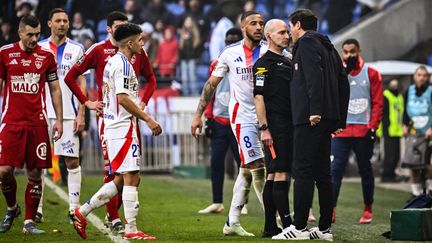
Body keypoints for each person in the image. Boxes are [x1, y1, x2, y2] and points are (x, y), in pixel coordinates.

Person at [64, 11, 157, 235]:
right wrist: (148, 118)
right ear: (130, 42)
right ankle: (131, 228)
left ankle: (82, 212)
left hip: (114, 125)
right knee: (131, 175)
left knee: (121, 177)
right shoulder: (123, 65)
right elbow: (123, 99)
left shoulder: (113, 61)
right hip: (122, 127)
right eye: (140, 39)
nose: (143, 43)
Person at [273, 9, 349, 240]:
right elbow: (343, 82)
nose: (289, 32)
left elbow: (313, 77)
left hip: (310, 118)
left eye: (290, 27)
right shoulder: (329, 46)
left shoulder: (305, 44)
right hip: (327, 118)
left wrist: (315, 110)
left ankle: (299, 227)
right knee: (322, 174)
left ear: (297, 25)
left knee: (302, 170)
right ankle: (325, 229)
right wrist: (339, 119)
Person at [191, 10, 267, 237]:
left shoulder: (269, 51)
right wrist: (198, 115)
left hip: (265, 118)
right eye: (253, 23)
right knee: (259, 168)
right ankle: (276, 219)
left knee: (246, 168)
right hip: (241, 118)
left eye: (261, 23)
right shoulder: (229, 53)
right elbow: (210, 86)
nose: (258, 27)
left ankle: (232, 221)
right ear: (243, 27)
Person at [0, 14, 63, 235]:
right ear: (20, 33)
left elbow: (55, 89)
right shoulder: (5, 53)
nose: (35, 39)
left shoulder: (46, 56)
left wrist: (59, 120)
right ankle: (12, 208)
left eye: (37, 34)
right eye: (30, 35)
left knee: (35, 174)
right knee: (4, 171)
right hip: (11, 122)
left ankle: (29, 222)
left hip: (37, 123)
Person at [36, 8, 87, 223]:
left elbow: (82, 81)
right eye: (58, 20)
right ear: (49, 23)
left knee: (72, 161)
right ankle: (36, 209)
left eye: (65, 20)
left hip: (69, 113)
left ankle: (73, 208)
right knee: (38, 163)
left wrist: (82, 113)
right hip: (41, 113)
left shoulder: (77, 48)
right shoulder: (39, 47)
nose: (63, 24)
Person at [331, 38, 383, 225]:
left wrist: (373, 127)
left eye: (352, 51)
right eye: (345, 52)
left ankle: (368, 209)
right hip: (341, 132)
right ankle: (331, 210)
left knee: (365, 171)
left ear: (359, 50)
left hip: (363, 133)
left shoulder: (372, 73)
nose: (349, 55)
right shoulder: (337, 73)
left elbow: (377, 102)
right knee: (334, 171)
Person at [253, 19, 293, 238]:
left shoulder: (288, 61)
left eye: (287, 32)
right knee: (281, 173)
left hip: (289, 123)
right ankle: (287, 224)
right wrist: (264, 128)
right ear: (269, 36)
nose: (286, 36)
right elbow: (259, 98)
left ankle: (270, 226)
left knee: (272, 175)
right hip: (276, 125)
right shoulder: (263, 63)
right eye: (281, 32)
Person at [198, 27, 242, 215]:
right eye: (228, 41)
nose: (230, 44)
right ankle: (217, 202)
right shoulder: (216, 62)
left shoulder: (245, 63)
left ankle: (242, 202)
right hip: (218, 120)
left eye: (234, 41)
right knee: (216, 162)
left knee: (243, 164)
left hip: (237, 119)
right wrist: (207, 117)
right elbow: (210, 90)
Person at [403, 66, 432, 197]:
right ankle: (416, 192)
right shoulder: (409, 90)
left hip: (428, 131)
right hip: (413, 130)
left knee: (426, 163)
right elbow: (405, 109)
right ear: (414, 76)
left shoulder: (431, 90)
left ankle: (430, 187)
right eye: (419, 75)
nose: (421, 78)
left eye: (424, 75)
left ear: (427, 77)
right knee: (412, 162)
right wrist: (404, 125)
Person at [379, 79, 404, 182]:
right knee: (390, 155)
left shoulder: (399, 96)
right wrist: (384, 129)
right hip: (388, 130)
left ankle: (392, 174)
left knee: (396, 155)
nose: (395, 86)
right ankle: (386, 175)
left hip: (398, 130)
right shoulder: (386, 95)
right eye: (393, 84)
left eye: (396, 84)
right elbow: (383, 113)